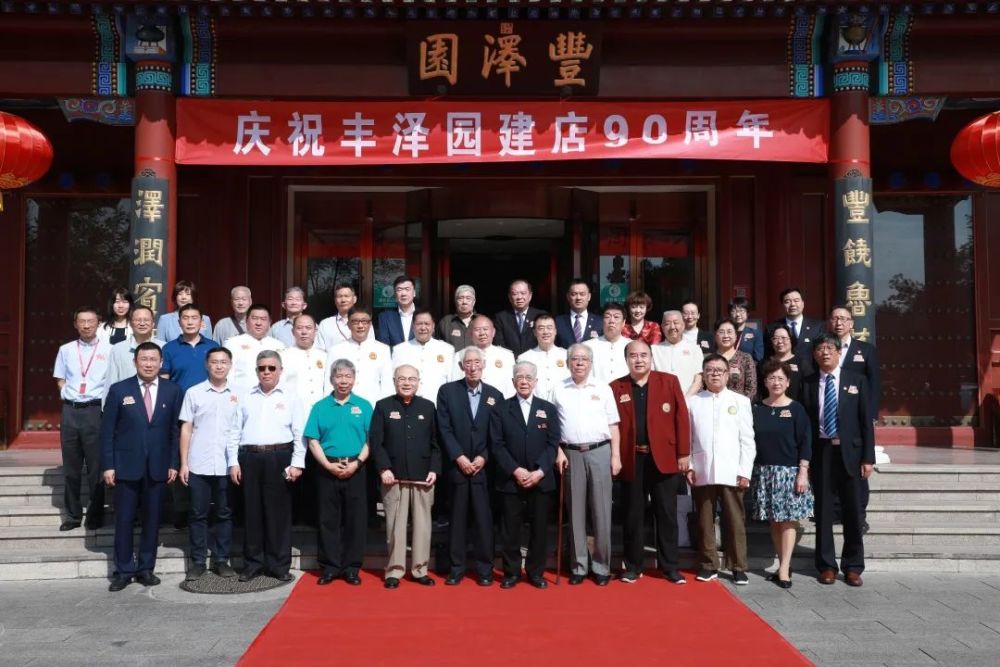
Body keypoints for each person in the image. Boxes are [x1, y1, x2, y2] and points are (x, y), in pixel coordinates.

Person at [100, 341, 184, 591]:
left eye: (153, 360)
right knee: (124, 519)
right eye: (144, 359)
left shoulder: (173, 390)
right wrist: (108, 465)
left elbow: (174, 431)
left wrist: (173, 463)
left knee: (152, 519)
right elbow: (107, 433)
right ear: (135, 362)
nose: (148, 364)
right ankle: (123, 570)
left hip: (158, 467)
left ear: (160, 363)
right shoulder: (118, 390)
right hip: (125, 466)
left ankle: (146, 567)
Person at [610, 340, 691, 585]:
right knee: (632, 515)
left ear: (651, 357)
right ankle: (633, 566)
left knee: (666, 514)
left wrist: (683, 453)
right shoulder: (616, 387)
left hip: (663, 459)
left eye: (644, 355)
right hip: (631, 459)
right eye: (633, 355)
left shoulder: (669, 381)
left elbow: (681, 418)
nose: (639, 360)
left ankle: (670, 567)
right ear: (626, 359)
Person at [801, 333, 875, 587]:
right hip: (822, 452)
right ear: (815, 354)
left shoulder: (857, 380)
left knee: (853, 510)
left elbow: (866, 422)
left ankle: (853, 566)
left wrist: (868, 457)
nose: (825, 353)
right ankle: (826, 565)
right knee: (822, 511)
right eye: (820, 349)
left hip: (851, 454)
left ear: (838, 352)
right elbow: (806, 425)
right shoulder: (808, 383)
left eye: (829, 349)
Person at [226, 350, 306, 582]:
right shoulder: (246, 396)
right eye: (262, 368)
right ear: (256, 371)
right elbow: (234, 431)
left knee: (278, 514)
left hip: (279, 456)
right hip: (250, 458)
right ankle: (253, 564)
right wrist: (233, 462)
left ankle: (278, 565)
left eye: (272, 367)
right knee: (252, 513)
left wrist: (297, 463)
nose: (267, 372)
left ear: (280, 370)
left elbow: (299, 433)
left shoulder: (291, 397)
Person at [551, 343, 621, 586]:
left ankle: (601, 566)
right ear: (568, 362)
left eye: (584, 359)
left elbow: (614, 424)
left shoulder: (602, 388)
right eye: (574, 359)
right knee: (575, 512)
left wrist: (616, 456)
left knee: (601, 510)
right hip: (570, 454)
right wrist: (557, 451)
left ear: (591, 363)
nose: (579, 363)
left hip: (599, 451)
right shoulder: (558, 388)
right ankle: (579, 566)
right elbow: (552, 427)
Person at [436, 347, 504, 586]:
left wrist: (484, 457)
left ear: (483, 365)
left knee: (484, 520)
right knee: (457, 519)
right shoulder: (447, 391)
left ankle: (485, 569)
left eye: (477, 362)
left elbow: (497, 434)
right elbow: (444, 428)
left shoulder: (495, 394)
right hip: (458, 467)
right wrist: (459, 457)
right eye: (468, 363)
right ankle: (457, 568)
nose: (473, 366)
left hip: (484, 468)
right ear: (461, 366)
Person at [489, 360, 560, 589]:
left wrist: (540, 471)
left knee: (539, 530)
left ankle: (535, 572)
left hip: (540, 480)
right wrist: (516, 470)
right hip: (511, 480)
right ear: (513, 381)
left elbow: (553, 443)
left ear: (536, 381)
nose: (524, 381)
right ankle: (511, 572)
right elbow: (496, 444)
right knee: (510, 530)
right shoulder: (501, 409)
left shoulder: (548, 409)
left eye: (529, 377)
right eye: (520, 377)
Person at [686, 354, 756, 585]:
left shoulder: (740, 401)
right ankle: (708, 564)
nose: (714, 374)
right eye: (710, 370)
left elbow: (748, 440)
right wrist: (690, 466)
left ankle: (738, 566)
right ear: (703, 375)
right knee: (704, 519)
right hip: (702, 468)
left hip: (732, 469)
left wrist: (745, 471)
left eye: (719, 370)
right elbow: (688, 438)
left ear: (728, 375)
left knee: (734, 519)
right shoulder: (695, 402)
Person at [369, 365, 440, 589]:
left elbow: (437, 444)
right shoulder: (383, 406)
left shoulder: (428, 407)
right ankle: (394, 570)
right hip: (394, 478)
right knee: (394, 527)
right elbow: (376, 442)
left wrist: (434, 469)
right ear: (394, 381)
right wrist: (384, 469)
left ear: (419, 381)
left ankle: (420, 569)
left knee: (422, 526)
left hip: (422, 477)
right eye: (402, 379)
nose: (407, 383)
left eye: (411, 379)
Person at [305, 359, 373, 586]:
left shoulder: (364, 406)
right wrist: (327, 465)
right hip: (327, 468)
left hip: (356, 468)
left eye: (348, 376)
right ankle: (330, 567)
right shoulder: (320, 406)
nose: (343, 381)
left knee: (356, 520)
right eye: (339, 376)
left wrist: (357, 463)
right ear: (331, 379)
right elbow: (313, 439)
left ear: (354, 379)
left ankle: (352, 567)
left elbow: (371, 440)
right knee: (327, 520)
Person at [750, 359, 813, 589]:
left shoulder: (796, 409)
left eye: (780, 378)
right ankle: (781, 563)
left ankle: (785, 567)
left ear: (787, 382)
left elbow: (806, 441)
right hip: (764, 472)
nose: (776, 382)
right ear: (765, 382)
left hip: (789, 472)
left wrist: (802, 472)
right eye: (771, 378)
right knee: (774, 522)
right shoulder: (757, 408)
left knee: (788, 522)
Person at [178, 347, 238, 580]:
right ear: (207, 365)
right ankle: (198, 561)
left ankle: (222, 560)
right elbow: (186, 428)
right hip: (198, 462)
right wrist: (184, 462)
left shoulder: (239, 393)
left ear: (230, 365)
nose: (219, 366)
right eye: (215, 362)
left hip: (226, 464)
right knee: (198, 513)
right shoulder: (194, 392)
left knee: (224, 513)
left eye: (224, 362)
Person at [53, 306, 112, 531]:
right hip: (70, 411)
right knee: (71, 467)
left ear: (98, 324)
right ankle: (72, 515)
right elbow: (59, 377)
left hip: (95, 411)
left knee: (96, 467)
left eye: (91, 321)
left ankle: (96, 514)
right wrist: (65, 393)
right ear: (75, 324)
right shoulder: (66, 349)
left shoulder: (109, 349)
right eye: (82, 321)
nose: (86, 325)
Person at [828, 305, 880, 530]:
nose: (839, 323)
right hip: (830, 417)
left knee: (857, 469)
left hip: (856, 420)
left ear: (852, 323)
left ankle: (859, 515)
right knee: (834, 468)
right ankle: (836, 511)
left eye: (844, 319)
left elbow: (874, 384)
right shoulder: (825, 349)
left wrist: (871, 414)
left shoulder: (865, 350)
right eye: (835, 319)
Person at [325, 307, 394, 406]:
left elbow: (387, 384)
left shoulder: (382, 349)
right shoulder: (336, 350)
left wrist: (387, 409)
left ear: (370, 324)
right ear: (348, 325)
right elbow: (329, 383)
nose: (360, 326)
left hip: (373, 406)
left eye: (364, 321)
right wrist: (330, 407)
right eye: (355, 322)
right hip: (343, 405)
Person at [391, 310, 455, 405]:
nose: (423, 328)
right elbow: (394, 380)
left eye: (427, 324)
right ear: (413, 326)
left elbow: (451, 382)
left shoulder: (447, 349)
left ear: (433, 326)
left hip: (438, 405)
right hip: (406, 405)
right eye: (419, 324)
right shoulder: (400, 349)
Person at [224, 304, 286, 395]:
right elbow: (227, 373)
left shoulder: (279, 345)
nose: (258, 323)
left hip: (273, 397)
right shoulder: (232, 343)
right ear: (246, 321)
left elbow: (283, 374)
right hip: (241, 397)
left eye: (263, 319)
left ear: (270, 323)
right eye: (254, 318)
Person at [452, 315, 516, 399]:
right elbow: (454, 383)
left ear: (493, 332)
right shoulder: (460, 355)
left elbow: (511, 387)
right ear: (470, 333)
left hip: (499, 406)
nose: (482, 333)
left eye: (485, 329)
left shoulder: (506, 356)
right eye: (477, 330)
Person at [161, 303, 219, 391]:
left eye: (194, 318)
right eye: (185, 318)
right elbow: (163, 381)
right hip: (179, 401)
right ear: (179, 322)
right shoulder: (168, 348)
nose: (190, 322)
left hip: (208, 401)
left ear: (201, 322)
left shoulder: (213, 347)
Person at [281, 313, 331, 410]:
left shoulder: (325, 356)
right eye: (299, 328)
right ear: (293, 331)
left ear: (315, 331)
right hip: (294, 410)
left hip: (321, 409)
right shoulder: (283, 356)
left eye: (308, 328)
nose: (304, 332)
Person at [517, 313, 569, 401]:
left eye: (549, 328)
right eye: (541, 328)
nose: (545, 332)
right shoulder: (524, 358)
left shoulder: (567, 355)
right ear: (534, 332)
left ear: (555, 331)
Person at [107, 306, 165, 386]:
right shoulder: (118, 349)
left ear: (153, 324)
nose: (142, 323)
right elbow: (111, 381)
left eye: (146, 320)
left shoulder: (164, 348)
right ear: (130, 323)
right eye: (138, 320)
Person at [765, 287, 824, 365]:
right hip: (782, 373)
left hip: (809, 373)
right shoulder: (771, 328)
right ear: (782, 305)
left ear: (803, 303)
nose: (792, 304)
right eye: (787, 301)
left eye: (796, 300)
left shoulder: (817, 327)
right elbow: (768, 355)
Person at [651, 310, 704, 395]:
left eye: (676, 323)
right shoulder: (654, 350)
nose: (672, 327)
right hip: (663, 400)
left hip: (689, 399)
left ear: (683, 325)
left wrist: (686, 399)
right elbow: (651, 379)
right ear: (662, 327)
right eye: (667, 323)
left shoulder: (695, 349)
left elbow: (698, 379)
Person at [494, 279, 544, 358]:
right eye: (515, 294)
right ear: (510, 297)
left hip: (536, 361)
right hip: (510, 362)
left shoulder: (541, 316)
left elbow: (545, 341)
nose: (519, 297)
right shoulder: (500, 317)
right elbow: (499, 344)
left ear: (530, 296)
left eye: (523, 293)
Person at [318, 282, 374, 348]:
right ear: (335, 301)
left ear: (354, 299)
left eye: (346, 296)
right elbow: (320, 352)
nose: (343, 300)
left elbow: (370, 347)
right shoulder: (325, 324)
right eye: (339, 296)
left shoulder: (365, 322)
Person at [585, 302, 630, 384]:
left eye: (616, 317)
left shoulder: (631, 346)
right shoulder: (587, 346)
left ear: (623, 323)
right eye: (607, 316)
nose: (612, 320)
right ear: (602, 321)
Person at [714, 318, 757, 400]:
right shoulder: (709, 359)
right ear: (716, 335)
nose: (726, 336)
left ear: (736, 335)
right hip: (713, 407)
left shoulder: (745, 358)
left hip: (738, 408)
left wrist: (740, 405)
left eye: (729, 332)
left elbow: (751, 389)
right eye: (721, 332)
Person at [760, 323, 804, 402]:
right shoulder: (764, 363)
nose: (780, 341)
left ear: (791, 339)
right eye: (775, 338)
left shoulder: (802, 363)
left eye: (784, 338)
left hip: (795, 408)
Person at [555, 279, 602, 349]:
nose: (578, 298)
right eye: (574, 294)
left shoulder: (600, 322)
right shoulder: (557, 322)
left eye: (582, 294)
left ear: (589, 296)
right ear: (568, 297)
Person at [376, 275, 418, 347]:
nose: (403, 294)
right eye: (399, 290)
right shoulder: (385, 317)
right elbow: (383, 346)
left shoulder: (424, 315)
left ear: (414, 293)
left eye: (407, 289)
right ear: (395, 294)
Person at [436, 284, 478, 351]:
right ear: (455, 301)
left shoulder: (482, 322)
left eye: (468, 298)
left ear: (474, 302)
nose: (464, 302)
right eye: (460, 298)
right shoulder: (445, 323)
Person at [729, 297, 764, 363]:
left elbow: (759, 357)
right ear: (730, 313)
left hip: (748, 370)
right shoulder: (725, 333)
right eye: (734, 311)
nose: (738, 314)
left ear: (748, 313)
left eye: (741, 311)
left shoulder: (756, 333)